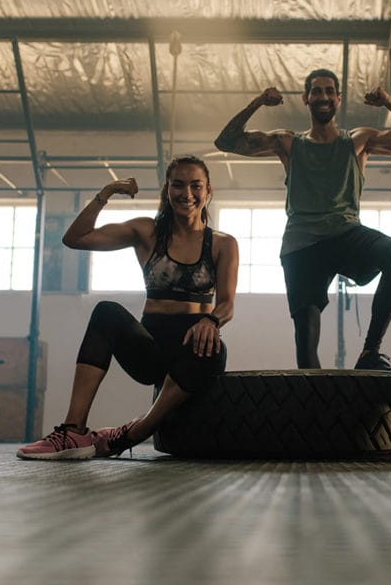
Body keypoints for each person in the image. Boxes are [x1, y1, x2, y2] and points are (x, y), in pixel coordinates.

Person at [17, 155, 239, 460]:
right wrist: (104, 194)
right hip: (150, 349)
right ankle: (73, 432)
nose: (186, 194)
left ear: (208, 191)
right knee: (106, 311)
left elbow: (227, 303)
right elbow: (75, 238)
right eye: (177, 185)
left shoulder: (223, 243)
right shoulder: (147, 231)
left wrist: (211, 320)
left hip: (192, 349)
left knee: (217, 350)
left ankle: (136, 431)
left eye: (195, 186)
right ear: (167, 190)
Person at [214, 68, 391, 370]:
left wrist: (389, 102)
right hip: (302, 244)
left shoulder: (358, 141)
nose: (324, 96)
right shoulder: (288, 143)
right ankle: (310, 402)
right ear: (306, 99)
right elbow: (225, 142)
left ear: (338, 99)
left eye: (330, 91)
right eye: (316, 91)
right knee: (306, 337)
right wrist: (258, 102)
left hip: (347, 234)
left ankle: (370, 352)